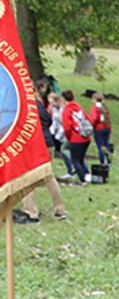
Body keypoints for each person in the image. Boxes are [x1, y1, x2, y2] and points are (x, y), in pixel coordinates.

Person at [17, 80, 68, 223]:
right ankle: (60, 209)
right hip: (48, 144)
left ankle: (31, 211)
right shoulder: (39, 104)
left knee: (27, 177)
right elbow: (48, 121)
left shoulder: (26, 106)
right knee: (48, 177)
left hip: (35, 145)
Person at [59, 91, 92, 185]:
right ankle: (86, 175)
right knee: (81, 158)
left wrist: (69, 137)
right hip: (86, 138)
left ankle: (82, 180)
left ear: (63, 99)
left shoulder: (67, 111)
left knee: (75, 160)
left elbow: (67, 127)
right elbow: (88, 119)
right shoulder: (79, 108)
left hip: (76, 138)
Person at [90, 92, 113, 165]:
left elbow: (94, 118)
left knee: (100, 146)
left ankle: (102, 161)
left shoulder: (94, 108)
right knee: (106, 145)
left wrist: (91, 127)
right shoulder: (105, 108)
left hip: (98, 129)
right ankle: (109, 159)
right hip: (106, 128)